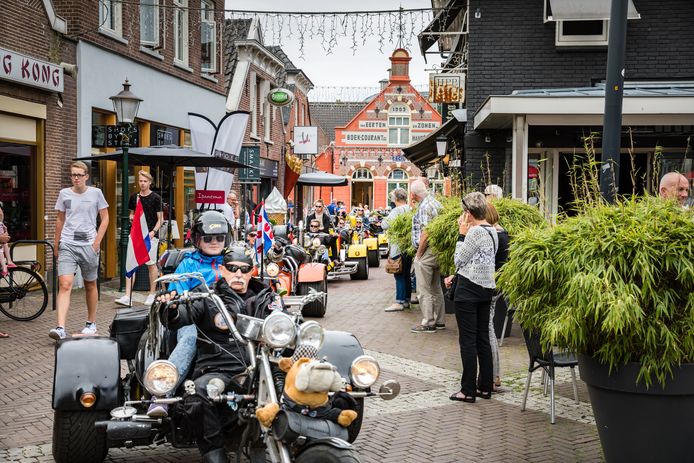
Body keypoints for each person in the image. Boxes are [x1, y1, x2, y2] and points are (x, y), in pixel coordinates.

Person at [160, 242, 279, 463]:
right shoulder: (206, 296)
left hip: (263, 371)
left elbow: (286, 324)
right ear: (222, 270)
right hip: (220, 369)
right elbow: (181, 317)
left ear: (252, 271)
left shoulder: (267, 298)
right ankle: (214, 454)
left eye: (244, 269)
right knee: (197, 394)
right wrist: (172, 309)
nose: (238, 274)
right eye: (232, 268)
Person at [445, 192, 498, 402]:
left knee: (468, 340)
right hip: (486, 287)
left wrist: (461, 234)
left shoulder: (474, 232)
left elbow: (459, 259)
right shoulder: (492, 230)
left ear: (468, 213)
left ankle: (467, 390)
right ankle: (485, 386)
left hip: (468, 290)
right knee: (483, 338)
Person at [49, 162, 109, 340]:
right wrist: (56, 243)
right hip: (67, 244)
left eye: (79, 175)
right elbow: (60, 219)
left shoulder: (96, 193)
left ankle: (91, 323)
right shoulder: (64, 194)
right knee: (65, 284)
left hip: (89, 245)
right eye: (73, 175)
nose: (76, 178)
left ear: (86, 176)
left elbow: (105, 218)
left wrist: (96, 243)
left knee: (90, 284)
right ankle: (60, 327)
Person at [115, 170, 163, 307]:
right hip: (136, 235)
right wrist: (131, 217)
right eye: (140, 181)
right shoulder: (134, 197)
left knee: (150, 264)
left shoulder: (156, 198)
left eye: (145, 181)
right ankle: (127, 295)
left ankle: (152, 293)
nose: (142, 183)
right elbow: (132, 214)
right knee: (131, 263)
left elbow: (161, 219)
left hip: (150, 236)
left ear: (150, 182)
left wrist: (153, 232)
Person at [410, 180, 444, 333]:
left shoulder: (424, 207)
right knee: (436, 287)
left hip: (427, 251)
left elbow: (426, 232)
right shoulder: (435, 203)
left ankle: (428, 322)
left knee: (424, 288)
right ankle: (440, 320)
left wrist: (418, 255)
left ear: (413, 194)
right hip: (437, 250)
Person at [485, 202, 510, 390]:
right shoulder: (503, 233)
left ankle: (494, 375)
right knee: (489, 328)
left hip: (491, 286)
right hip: (497, 284)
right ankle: (493, 374)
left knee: (488, 329)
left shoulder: (495, 235)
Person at [381, 188, 412, 312]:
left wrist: (383, 220)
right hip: (408, 246)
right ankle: (406, 300)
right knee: (407, 274)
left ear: (396, 199)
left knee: (398, 273)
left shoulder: (396, 211)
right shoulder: (410, 209)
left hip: (398, 246)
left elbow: (385, 225)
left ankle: (399, 301)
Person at [0, 203, 15, 277]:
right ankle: (9, 262)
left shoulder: (1, 224)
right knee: (4, 246)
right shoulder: (1, 224)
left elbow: (5, 235)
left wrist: (4, 237)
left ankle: (5, 268)